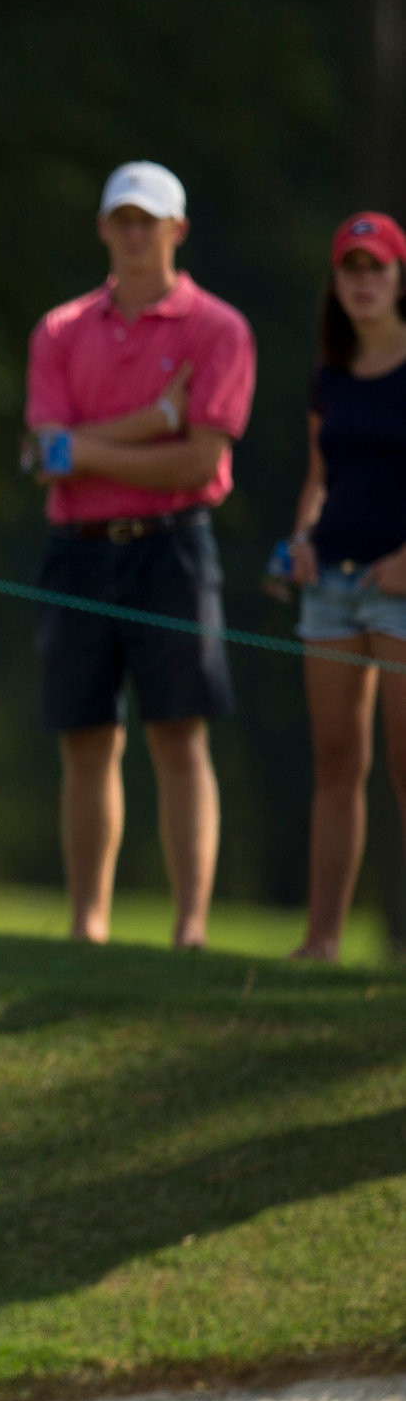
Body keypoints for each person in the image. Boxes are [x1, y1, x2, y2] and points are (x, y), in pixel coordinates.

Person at [24, 161, 255, 950]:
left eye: (147, 221)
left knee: (179, 733)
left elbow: (199, 463)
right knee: (86, 738)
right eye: (120, 218)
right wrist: (157, 418)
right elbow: (44, 455)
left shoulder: (218, 329)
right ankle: (88, 924)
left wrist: (87, 447)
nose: (132, 233)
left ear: (176, 231)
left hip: (173, 548)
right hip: (78, 550)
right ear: (102, 228)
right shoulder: (59, 330)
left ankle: (189, 928)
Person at [285, 213, 406, 960]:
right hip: (330, 586)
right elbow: (318, 482)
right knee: (336, 762)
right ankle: (322, 941)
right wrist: (301, 538)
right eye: (350, 268)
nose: (363, 281)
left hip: (401, 587)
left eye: (377, 267)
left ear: (398, 279)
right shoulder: (327, 374)